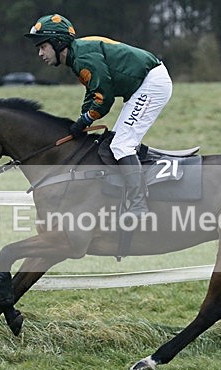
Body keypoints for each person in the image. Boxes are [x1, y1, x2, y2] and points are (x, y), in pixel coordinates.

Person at [24, 13, 172, 217]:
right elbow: (92, 91)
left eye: (42, 47)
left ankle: (139, 205)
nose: (40, 54)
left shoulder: (82, 58)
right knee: (117, 141)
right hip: (143, 84)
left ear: (58, 43)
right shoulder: (78, 56)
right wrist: (82, 117)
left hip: (152, 84)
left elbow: (104, 97)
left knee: (122, 144)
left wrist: (85, 120)